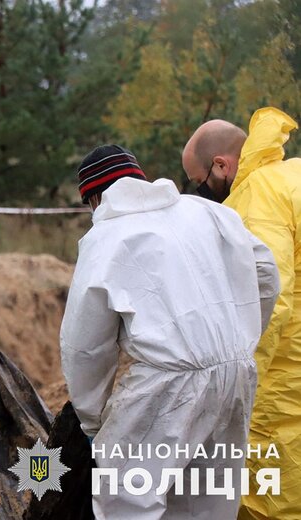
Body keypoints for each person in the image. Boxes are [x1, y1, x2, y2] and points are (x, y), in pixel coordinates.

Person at [61, 145, 279, 519]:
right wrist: (238, 338)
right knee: (207, 498)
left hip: (169, 385)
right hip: (236, 374)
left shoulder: (106, 237)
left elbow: (85, 346)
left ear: (94, 198)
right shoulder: (209, 211)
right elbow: (266, 273)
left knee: (129, 496)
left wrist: (92, 418)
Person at [182, 107, 301, 520]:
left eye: (200, 182)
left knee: (270, 499)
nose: (202, 191)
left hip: (284, 381)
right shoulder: (295, 175)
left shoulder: (256, 198)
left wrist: (240, 386)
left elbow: (270, 299)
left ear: (221, 164)